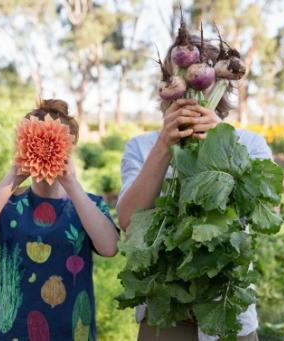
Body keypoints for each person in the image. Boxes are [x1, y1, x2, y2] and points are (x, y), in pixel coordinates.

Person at [116, 36, 271, 341]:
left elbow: (266, 213)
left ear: (217, 85)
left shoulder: (250, 144)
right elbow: (128, 221)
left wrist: (221, 142)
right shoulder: (142, 146)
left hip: (226, 310)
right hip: (164, 310)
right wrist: (163, 145)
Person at [0, 99, 119, 340]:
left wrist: (72, 184)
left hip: (72, 333)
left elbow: (110, 247)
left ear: (70, 149)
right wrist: (14, 176)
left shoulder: (87, 206)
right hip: (16, 333)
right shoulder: (8, 206)